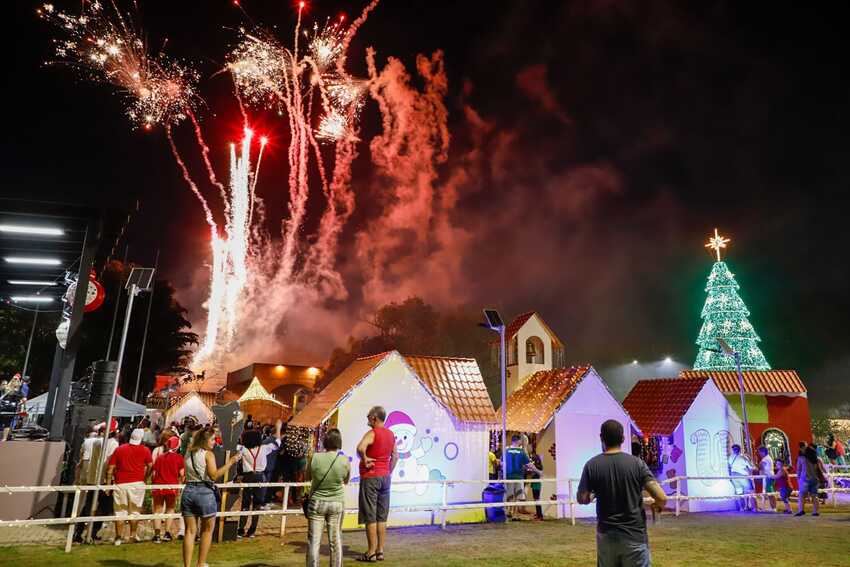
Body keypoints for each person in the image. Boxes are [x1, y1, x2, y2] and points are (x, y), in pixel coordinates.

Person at [577, 420, 667, 567]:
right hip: (634, 536)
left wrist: (594, 493)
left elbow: (582, 498)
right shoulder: (637, 464)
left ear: (601, 437)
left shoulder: (591, 465)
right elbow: (661, 497)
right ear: (623, 439)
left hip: (607, 537)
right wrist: (657, 505)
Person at [182, 427, 242, 567]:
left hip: (189, 490)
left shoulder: (188, 452)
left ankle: (187, 565)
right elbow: (214, 475)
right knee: (207, 530)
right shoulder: (208, 455)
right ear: (205, 440)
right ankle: (201, 563)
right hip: (204, 492)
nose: (214, 442)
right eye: (212, 439)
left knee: (189, 531)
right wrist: (231, 462)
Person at [356, 406, 398, 563]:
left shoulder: (372, 433)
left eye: (368, 416)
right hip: (385, 477)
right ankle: (380, 550)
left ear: (374, 417)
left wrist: (365, 458)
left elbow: (360, 447)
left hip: (371, 477)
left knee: (370, 516)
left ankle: (371, 552)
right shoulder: (391, 434)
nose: (367, 419)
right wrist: (388, 471)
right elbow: (396, 456)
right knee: (382, 516)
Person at [306, 428, 351, 567]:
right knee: (335, 540)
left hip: (317, 502)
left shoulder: (315, 457)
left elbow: (308, 477)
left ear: (325, 441)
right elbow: (346, 480)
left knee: (314, 541)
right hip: (337, 502)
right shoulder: (344, 460)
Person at [106, 428, 153, 545]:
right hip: (137, 483)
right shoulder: (145, 450)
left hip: (120, 483)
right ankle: (132, 535)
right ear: (141, 439)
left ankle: (118, 537)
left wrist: (108, 484)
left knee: (120, 511)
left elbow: (110, 469)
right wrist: (145, 477)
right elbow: (150, 465)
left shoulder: (119, 449)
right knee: (135, 511)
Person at [236, 419, 282, 538]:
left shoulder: (243, 450)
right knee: (257, 504)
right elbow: (278, 443)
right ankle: (252, 531)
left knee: (245, 504)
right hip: (261, 477)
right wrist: (278, 429)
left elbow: (231, 446)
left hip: (248, 477)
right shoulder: (264, 448)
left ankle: (240, 529)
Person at [151, 435, 184, 543]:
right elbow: (182, 474)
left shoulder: (160, 457)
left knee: (157, 510)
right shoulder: (179, 458)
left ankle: (156, 535)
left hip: (159, 486)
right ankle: (167, 533)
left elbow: (154, 473)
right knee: (170, 509)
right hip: (172, 487)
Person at [795, 444, 827, 517]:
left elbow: (799, 470)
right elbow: (820, 469)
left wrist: (798, 479)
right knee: (814, 496)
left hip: (804, 479)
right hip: (815, 479)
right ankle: (815, 511)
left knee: (802, 496)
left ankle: (801, 510)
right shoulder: (817, 459)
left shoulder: (801, 458)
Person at [504, 435, 529, 519]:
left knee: (510, 495)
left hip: (509, 476)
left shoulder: (506, 450)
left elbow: (501, 463)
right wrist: (538, 471)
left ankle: (509, 512)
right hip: (518, 476)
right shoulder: (522, 451)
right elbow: (527, 463)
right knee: (518, 495)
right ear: (518, 441)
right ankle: (515, 514)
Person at [727, 444, 755, 511]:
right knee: (748, 491)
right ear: (740, 450)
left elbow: (729, 467)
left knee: (739, 492)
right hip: (743, 476)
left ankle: (741, 508)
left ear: (733, 450)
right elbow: (751, 467)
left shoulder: (730, 457)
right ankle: (748, 506)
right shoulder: (743, 457)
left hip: (734, 476)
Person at [525, 449, 545, 520]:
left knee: (537, 499)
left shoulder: (539, 466)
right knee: (535, 499)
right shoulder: (535, 465)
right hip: (534, 483)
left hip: (537, 484)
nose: (531, 459)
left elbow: (541, 473)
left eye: (532, 458)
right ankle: (538, 514)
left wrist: (533, 468)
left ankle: (540, 516)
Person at [757, 446, 776, 512]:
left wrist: (759, 465)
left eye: (759, 452)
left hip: (768, 477)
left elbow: (760, 467)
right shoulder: (768, 458)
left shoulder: (765, 459)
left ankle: (773, 508)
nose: (759, 454)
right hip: (769, 476)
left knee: (769, 492)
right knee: (768, 492)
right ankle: (771, 507)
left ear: (763, 452)